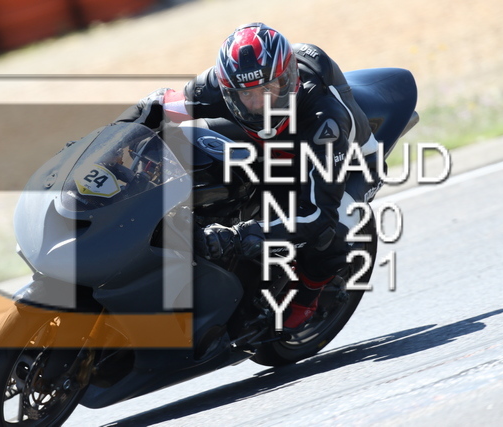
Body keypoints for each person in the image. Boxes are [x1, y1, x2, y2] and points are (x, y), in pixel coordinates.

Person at [116, 22, 381, 330]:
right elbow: (154, 106)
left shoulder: (324, 118)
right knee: (180, 143)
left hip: (348, 164)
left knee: (326, 234)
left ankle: (308, 298)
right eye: (246, 95)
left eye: (267, 91)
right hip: (273, 145)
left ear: (288, 80)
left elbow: (317, 216)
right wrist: (108, 143)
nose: (257, 104)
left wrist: (241, 235)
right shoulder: (218, 85)